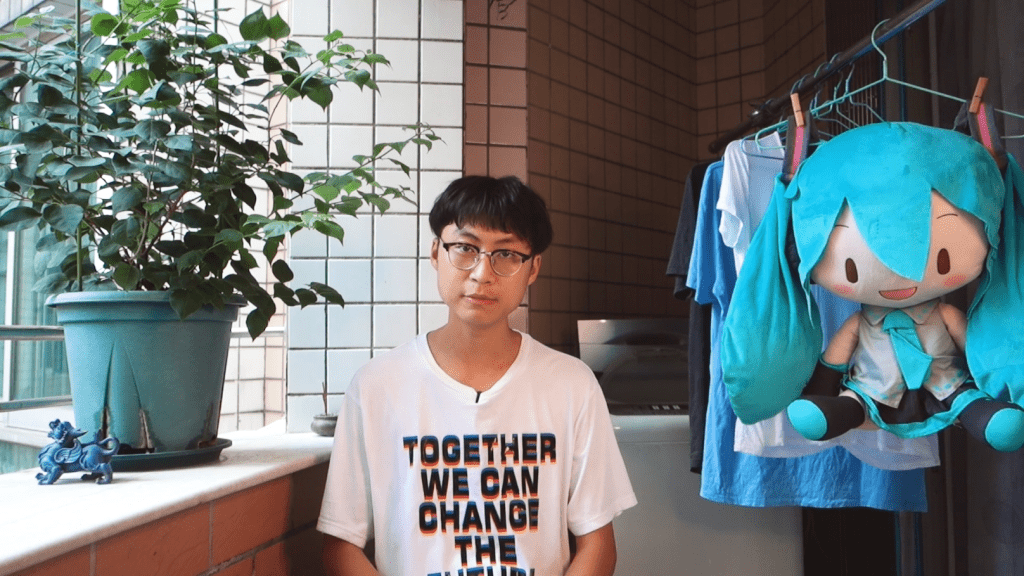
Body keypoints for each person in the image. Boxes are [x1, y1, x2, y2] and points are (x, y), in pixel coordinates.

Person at [318, 175, 637, 576]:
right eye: (466, 248)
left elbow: (598, 543)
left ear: (533, 268)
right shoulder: (376, 386)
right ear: (436, 253)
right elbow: (340, 544)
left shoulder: (572, 384)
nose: (482, 273)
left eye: (507, 254)